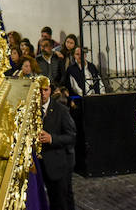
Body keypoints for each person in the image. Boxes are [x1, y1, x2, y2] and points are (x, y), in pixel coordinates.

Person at [37, 76, 76, 210]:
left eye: (45, 90)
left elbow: (71, 137)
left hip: (58, 164)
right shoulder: (32, 111)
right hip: (41, 166)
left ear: (50, 91)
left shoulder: (61, 110)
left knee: (61, 201)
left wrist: (52, 139)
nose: (42, 93)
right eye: (40, 90)